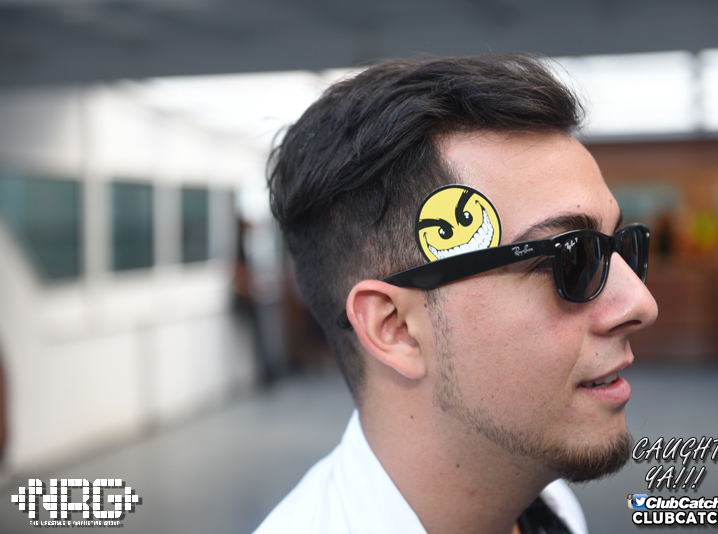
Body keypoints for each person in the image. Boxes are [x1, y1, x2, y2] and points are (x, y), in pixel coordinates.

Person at [254, 53, 658, 534]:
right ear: (396, 328)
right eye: (570, 258)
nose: (640, 304)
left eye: (622, 248)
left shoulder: (549, 509)